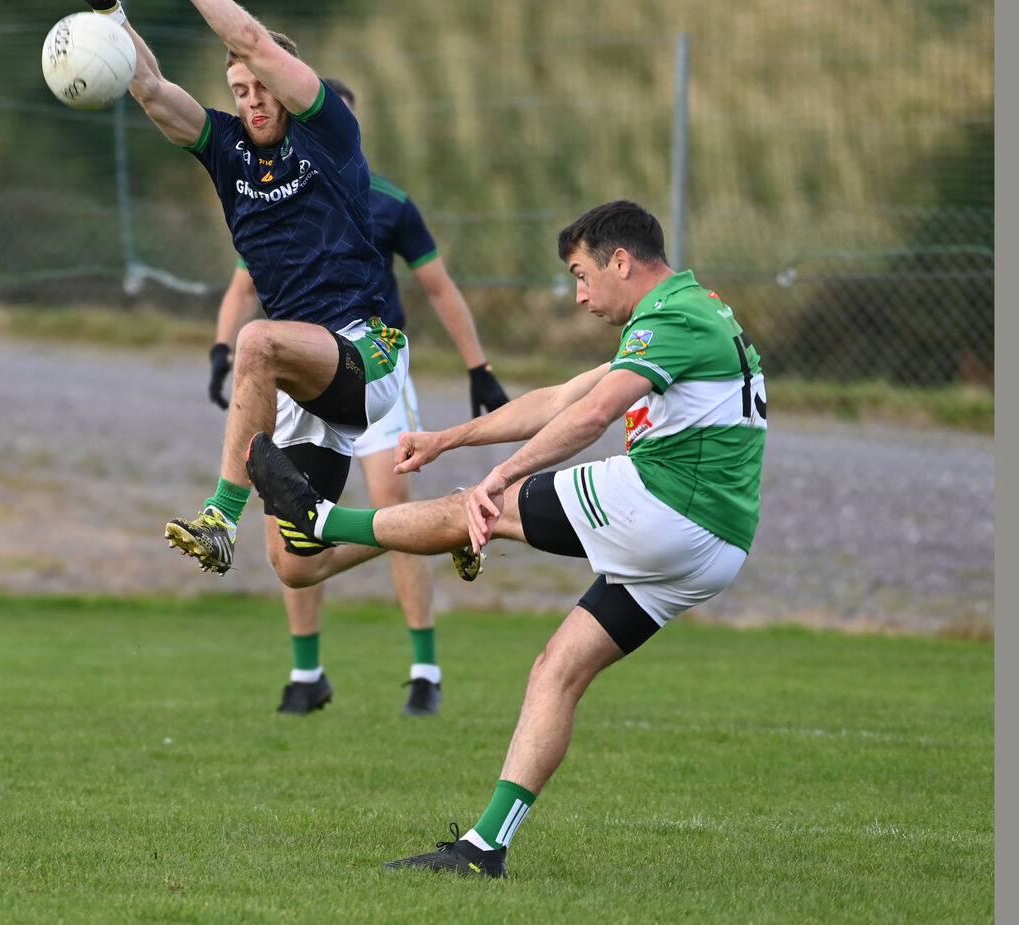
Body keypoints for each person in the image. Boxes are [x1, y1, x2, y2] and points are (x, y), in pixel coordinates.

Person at [246, 200, 768, 878]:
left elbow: (594, 416)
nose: (579, 295)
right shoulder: (689, 311)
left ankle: (320, 521)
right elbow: (560, 398)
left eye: (582, 276)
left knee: (481, 508)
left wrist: (502, 476)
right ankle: (483, 848)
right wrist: (445, 438)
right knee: (557, 668)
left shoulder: (671, 318)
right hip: (716, 544)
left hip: (669, 507)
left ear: (621, 261)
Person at [207, 77, 509, 717]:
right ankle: (307, 671)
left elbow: (439, 288)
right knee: (292, 555)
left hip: (370, 366)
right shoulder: (275, 190)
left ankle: (425, 672)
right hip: (301, 368)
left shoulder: (390, 202)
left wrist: (477, 366)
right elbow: (241, 283)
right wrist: (221, 349)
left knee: (390, 493)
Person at [83, 0, 409, 581]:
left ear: (286, 83)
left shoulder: (328, 131)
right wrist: (110, 13)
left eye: (262, 86)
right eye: (240, 90)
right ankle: (453, 518)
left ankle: (219, 518)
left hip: (367, 353)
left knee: (254, 341)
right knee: (295, 564)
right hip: (302, 374)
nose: (253, 100)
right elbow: (153, 89)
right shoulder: (225, 146)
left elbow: (255, 40)